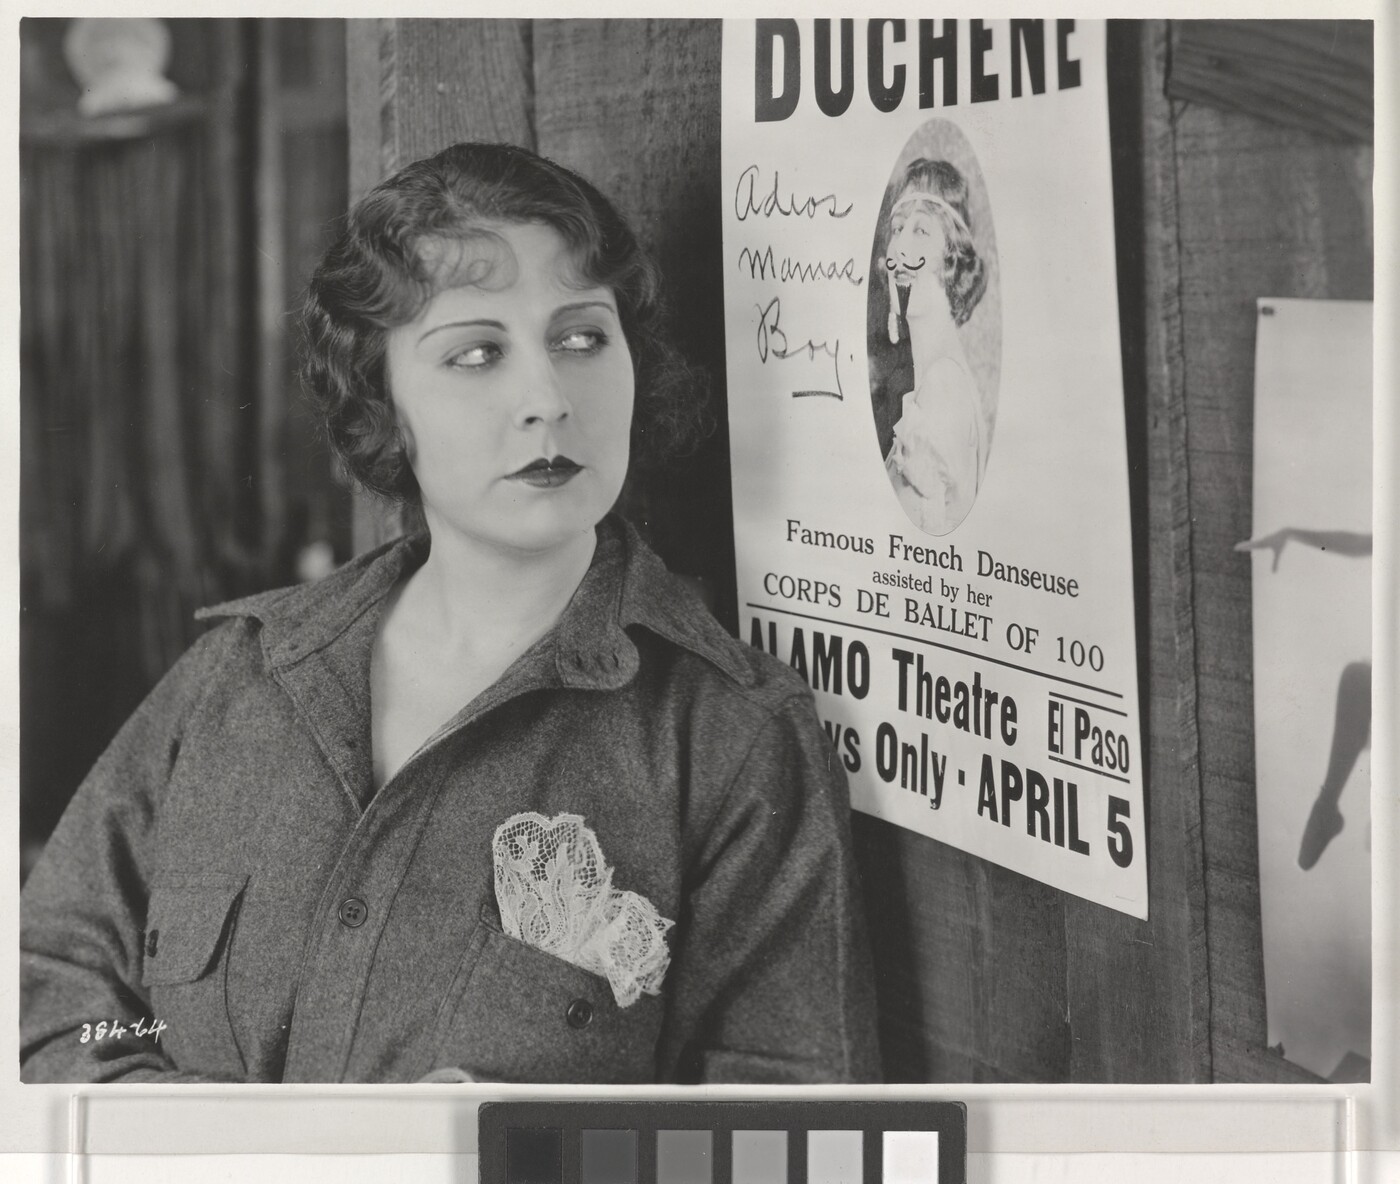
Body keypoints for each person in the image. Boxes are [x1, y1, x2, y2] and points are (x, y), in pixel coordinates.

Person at [20, 142, 882, 1085]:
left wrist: (516, 1148)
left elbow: (790, 1127)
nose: (547, 400)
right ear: (382, 401)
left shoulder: (731, 738)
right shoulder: (235, 678)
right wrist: (251, 1145)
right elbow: (50, 1000)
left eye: (582, 339)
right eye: (476, 354)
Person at [881, 158, 987, 535]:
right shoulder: (936, 379)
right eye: (898, 228)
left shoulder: (943, 385)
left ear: (952, 256)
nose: (899, 247)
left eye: (921, 230)